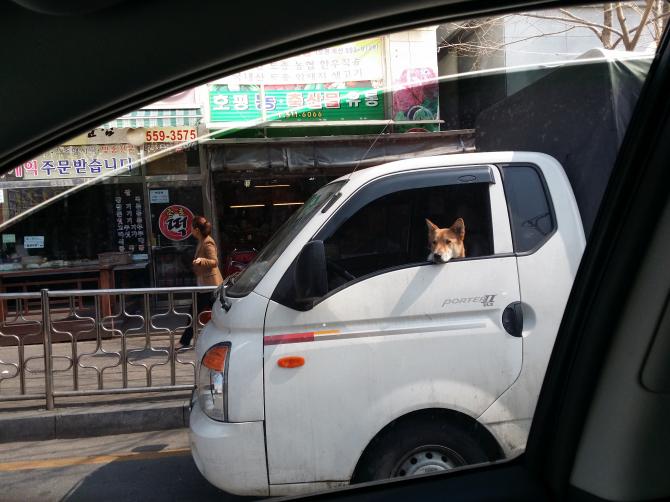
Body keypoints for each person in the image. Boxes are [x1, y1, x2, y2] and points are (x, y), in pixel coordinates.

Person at [177, 216, 223, 349]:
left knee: (194, 312)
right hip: (206, 285)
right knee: (217, 312)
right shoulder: (202, 240)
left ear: (196, 229)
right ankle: (186, 341)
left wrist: (200, 261)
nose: (190, 230)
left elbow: (214, 262)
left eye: (191, 227)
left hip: (209, 286)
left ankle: (184, 341)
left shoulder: (207, 242)